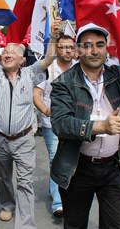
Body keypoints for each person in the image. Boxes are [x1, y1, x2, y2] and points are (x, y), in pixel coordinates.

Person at [50, 23, 120, 229]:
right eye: (87, 45)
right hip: (77, 168)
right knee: (74, 225)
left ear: (106, 49)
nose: (94, 50)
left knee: (116, 225)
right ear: (78, 50)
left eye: (100, 45)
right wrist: (100, 127)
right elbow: (60, 123)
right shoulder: (63, 82)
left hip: (115, 167)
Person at [0, 17, 60, 228]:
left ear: (22, 59)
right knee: (3, 178)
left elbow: (49, 58)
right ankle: (7, 205)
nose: (7, 54)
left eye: (12, 52)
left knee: (25, 182)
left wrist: (55, 36)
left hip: (24, 140)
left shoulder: (30, 73)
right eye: (5, 52)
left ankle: (25, 223)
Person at [33, 34, 76, 219]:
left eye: (70, 47)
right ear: (56, 50)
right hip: (53, 125)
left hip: (74, 124)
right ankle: (59, 202)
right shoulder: (48, 69)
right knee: (55, 158)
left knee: (74, 159)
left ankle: (66, 192)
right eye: (63, 47)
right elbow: (36, 94)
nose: (67, 51)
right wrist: (45, 110)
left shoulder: (79, 68)